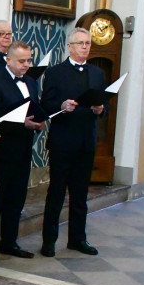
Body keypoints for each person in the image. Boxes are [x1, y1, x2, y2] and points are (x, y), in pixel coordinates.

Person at [38, 27, 106, 257]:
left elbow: (105, 104)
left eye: (88, 43)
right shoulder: (55, 72)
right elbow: (45, 105)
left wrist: (101, 109)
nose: (85, 47)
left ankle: (78, 239)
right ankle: (49, 241)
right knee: (56, 193)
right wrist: (61, 105)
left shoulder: (97, 73)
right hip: (63, 141)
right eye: (80, 43)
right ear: (69, 46)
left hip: (86, 142)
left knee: (80, 195)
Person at [0, 40, 45, 261]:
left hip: (24, 149)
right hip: (3, 150)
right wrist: (22, 124)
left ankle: (10, 242)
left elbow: (33, 108)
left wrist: (38, 123)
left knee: (16, 199)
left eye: (28, 60)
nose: (26, 65)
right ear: (8, 59)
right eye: (21, 61)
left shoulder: (30, 82)